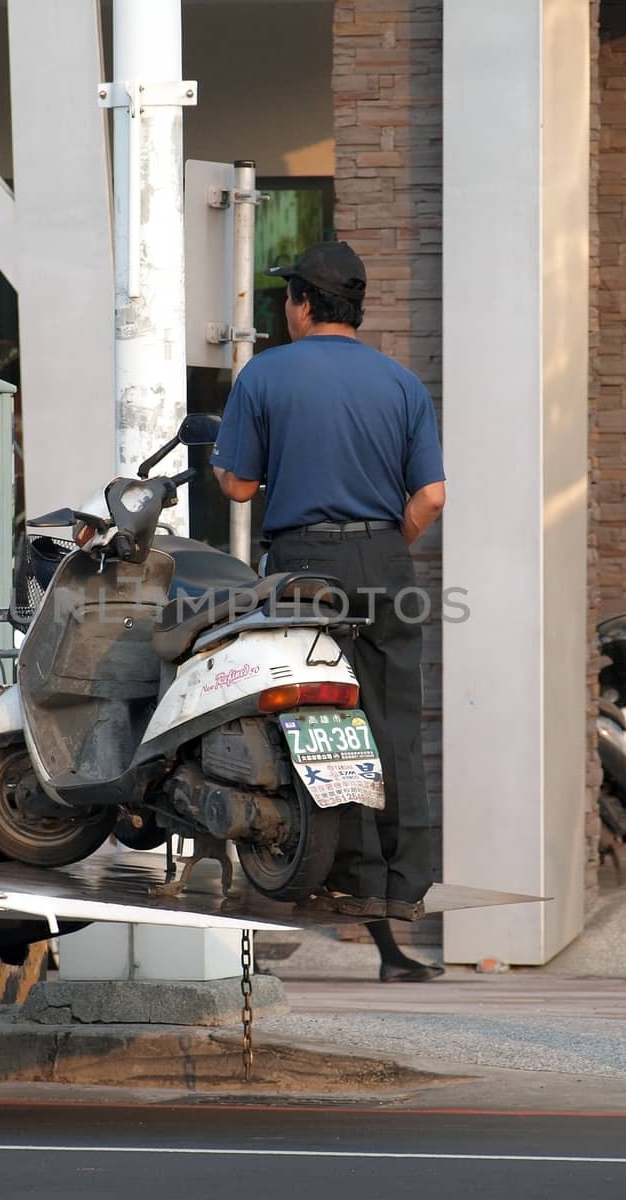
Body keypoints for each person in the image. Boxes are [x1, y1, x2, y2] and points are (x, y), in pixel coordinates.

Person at [210, 240, 446, 943]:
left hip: (302, 564)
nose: (287, 307)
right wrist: (381, 546)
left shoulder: (265, 375)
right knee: (394, 718)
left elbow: (240, 485)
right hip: (383, 559)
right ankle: (406, 885)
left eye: (289, 296)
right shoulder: (401, 382)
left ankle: (349, 876)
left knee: (314, 713)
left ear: (305, 302)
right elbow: (431, 496)